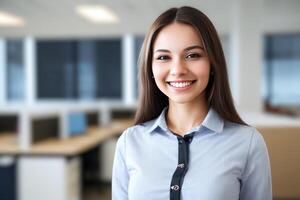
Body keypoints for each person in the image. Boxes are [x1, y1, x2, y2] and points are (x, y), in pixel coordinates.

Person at [112, 6, 272, 200]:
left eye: (193, 55)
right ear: (150, 69)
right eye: (164, 57)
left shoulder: (247, 143)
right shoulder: (130, 142)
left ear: (213, 63)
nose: (177, 69)